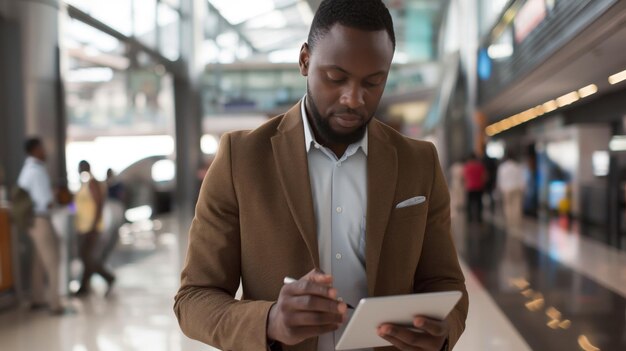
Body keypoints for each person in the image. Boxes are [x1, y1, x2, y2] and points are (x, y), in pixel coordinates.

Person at [174, 1, 468, 350]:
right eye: (336, 78)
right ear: (304, 61)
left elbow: (446, 283)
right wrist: (270, 321)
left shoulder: (419, 161)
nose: (353, 99)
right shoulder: (242, 159)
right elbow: (193, 298)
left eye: (373, 82)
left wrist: (443, 330)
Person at [17, 138, 67, 315]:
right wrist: (59, 200)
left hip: (32, 221)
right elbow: (45, 202)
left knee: (38, 261)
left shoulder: (27, 170)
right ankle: (56, 304)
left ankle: (37, 298)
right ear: (35, 149)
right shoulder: (36, 171)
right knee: (53, 260)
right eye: (42, 148)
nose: (45, 151)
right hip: (40, 220)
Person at [74, 160, 115, 296]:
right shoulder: (83, 184)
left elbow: (99, 205)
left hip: (91, 228)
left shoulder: (93, 183)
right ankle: (84, 287)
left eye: (82, 167)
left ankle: (108, 277)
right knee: (85, 257)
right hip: (82, 227)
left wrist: (93, 226)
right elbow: (74, 206)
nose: (80, 170)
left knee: (87, 258)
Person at [497, 153, 526, 228]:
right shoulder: (518, 167)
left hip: (506, 188)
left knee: (508, 205)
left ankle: (510, 221)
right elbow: (522, 179)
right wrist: (523, 188)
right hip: (517, 188)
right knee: (517, 205)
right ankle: (516, 220)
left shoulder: (502, 167)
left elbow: (500, 179)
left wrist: (500, 188)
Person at [463, 153, 486, 222]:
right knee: (479, 203)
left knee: (470, 203)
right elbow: (484, 176)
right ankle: (479, 218)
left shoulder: (467, 166)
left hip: (470, 187)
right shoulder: (480, 166)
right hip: (479, 186)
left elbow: (464, 177)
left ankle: (470, 218)